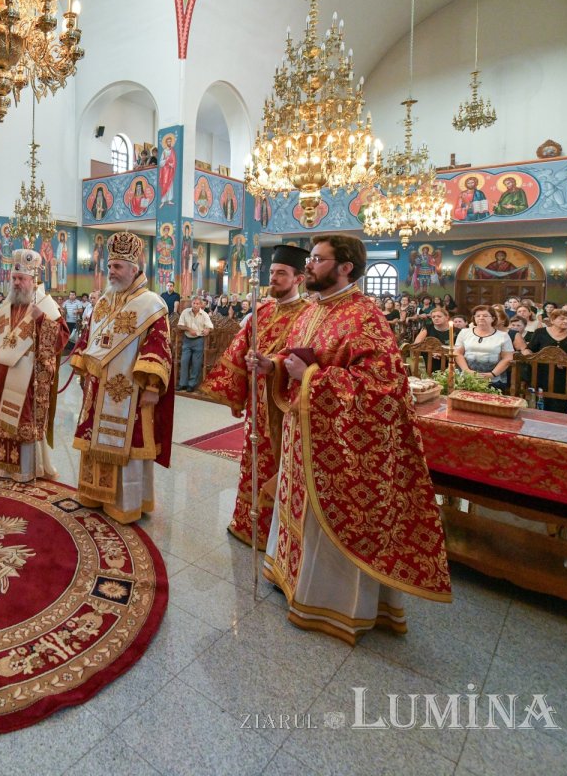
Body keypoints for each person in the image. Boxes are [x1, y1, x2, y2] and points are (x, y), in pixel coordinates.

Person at [250, 234, 451, 643]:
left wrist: (308, 378)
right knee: (297, 510)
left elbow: (381, 388)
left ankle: (331, 603)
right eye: (310, 260)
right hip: (303, 432)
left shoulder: (365, 317)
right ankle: (289, 578)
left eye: (318, 260)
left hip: (340, 446)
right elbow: (296, 354)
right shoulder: (312, 311)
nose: (309, 266)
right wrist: (272, 364)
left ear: (344, 268)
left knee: (327, 516)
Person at [201, 244, 309, 546]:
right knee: (253, 461)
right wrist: (237, 395)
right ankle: (250, 525)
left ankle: (278, 537)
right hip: (256, 405)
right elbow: (237, 352)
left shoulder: (307, 315)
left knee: (281, 464)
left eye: (281, 274)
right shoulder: (260, 312)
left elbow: (309, 361)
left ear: (298, 278)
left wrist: (272, 367)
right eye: (272, 273)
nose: (273, 278)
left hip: (285, 407)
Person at [70, 231, 174, 524]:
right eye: (110, 266)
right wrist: (82, 366)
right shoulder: (105, 300)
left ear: (134, 268)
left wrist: (153, 386)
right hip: (98, 385)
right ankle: (94, 494)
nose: (111, 272)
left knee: (128, 443)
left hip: (132, 389)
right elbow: (89, 335)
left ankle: (124, 503)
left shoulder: (152, 304)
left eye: (117, 267)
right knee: (94, 437)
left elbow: (160, 346)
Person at [0, 250, 68, 482]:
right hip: (5, 373)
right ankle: (3, 465)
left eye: (21, 278)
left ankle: (28, 468)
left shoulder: (46, 305)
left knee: (24, 417)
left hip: (29, 377)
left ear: (33, 280)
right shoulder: (5, 307)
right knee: (4, 418)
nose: (17, 283)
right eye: (14, 278)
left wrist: (42, 319)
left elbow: (62, 336)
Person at [454, 306, 514, 392]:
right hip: (467, 376)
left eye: (485, 316)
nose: (481, 318)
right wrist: (466, 371)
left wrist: (492, 374)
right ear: (474, 318)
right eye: (478, 316)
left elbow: (507, 358)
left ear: (493, 318)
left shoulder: (503, 336)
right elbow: (458, 353)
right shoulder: (464, 332)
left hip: (492, 378)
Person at [176, 296, 213, 392]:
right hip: (187, 339)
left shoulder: (204, 314)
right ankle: (182, 384)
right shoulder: (185, 312)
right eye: (194, 303)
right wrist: (189, 329)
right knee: (184, 361)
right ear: (191, 304)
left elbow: (210, 327)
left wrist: (207, 330)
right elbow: (179, 325)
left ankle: (191, 385)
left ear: (201, 305)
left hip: (199, 340)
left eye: (197, 304)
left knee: (196, 363)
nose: (195, 305)